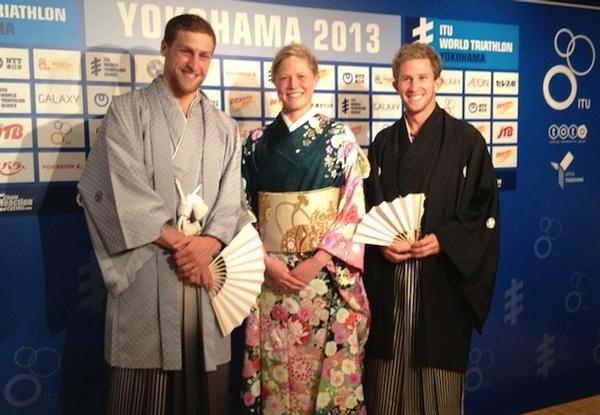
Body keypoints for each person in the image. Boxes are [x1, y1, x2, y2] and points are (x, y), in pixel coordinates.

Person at [77, 14, 245, 415]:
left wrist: (211, 243)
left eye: (204, 55)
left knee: (206, 390)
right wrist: (187, 246)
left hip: (206, 275)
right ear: (165, 49)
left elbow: (231, 200)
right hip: (148, 269)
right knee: (143, 392)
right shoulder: (126, 113)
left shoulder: (224, 126)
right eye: (186, 51)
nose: (194, 63)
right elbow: (120, 191)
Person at [363, 43, 500, 415]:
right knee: (386, 387)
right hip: (390, 283)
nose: (414, 86)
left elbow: (483, 210)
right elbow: (368, 210)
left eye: (422, 77)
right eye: (406, 78)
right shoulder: (382, 144)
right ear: (395, 85)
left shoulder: (466, 140)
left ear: (438, 81)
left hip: (442, 279)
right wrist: (380, 245)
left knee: (439, 388)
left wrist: (444, 240)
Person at [240, 43, 370, 414]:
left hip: (325, 273)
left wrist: (320, 259)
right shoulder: (255, 145)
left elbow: (352, 204)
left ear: (315, 79)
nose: (292, 84)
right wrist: (265, 260)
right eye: (284, 78)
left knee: (326, 372)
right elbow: (241, 206)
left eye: (301, 76)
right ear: (274, 84)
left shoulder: (339, 138)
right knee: (278, 369)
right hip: (272, 276)